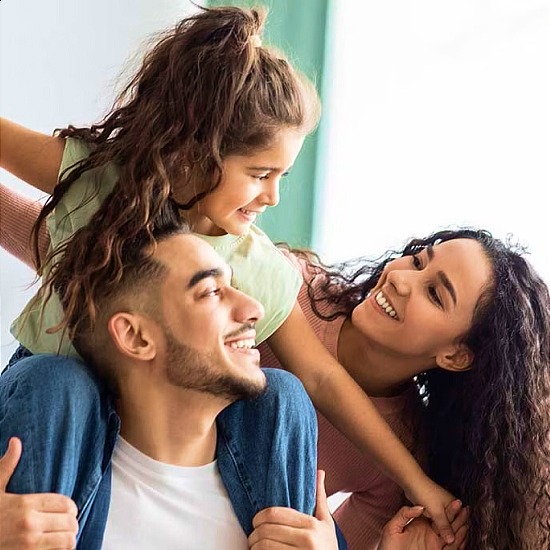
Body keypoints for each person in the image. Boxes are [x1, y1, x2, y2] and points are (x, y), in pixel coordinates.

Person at [0, 3, 461, 541]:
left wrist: (418, 481)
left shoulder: (253, 263)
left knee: (283, 392)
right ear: (197, 154)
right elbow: (37, 224)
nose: (274, 195)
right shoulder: (103, 181)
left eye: (284, 174)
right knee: (58, 382)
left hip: (171, 417)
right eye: (261, 174)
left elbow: (322, 378)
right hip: (57, 409)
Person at [0, 211, 343, 549]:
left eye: (233, 285)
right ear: (135, 337)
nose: (254, 308)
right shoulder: (43, 483)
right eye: (211, 292)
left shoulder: (288, 488)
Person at [255, 228, 550, 549]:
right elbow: (319, 377)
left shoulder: (406, 450)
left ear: (455, 356)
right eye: (417, 260)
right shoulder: (290, 283)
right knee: (284, 393)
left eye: (435, 294)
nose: (401, 278)